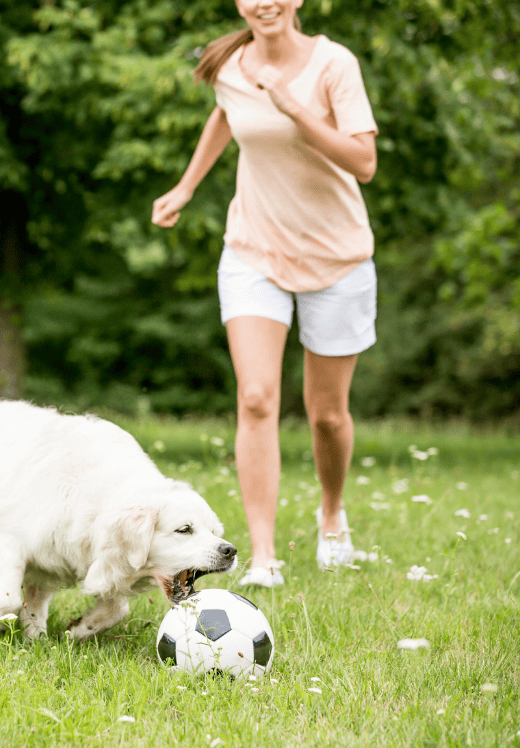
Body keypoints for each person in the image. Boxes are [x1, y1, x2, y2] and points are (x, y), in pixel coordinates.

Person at [151, 0, 378, 586]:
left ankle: (332, 515)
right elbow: (225, 115)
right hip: (254, 250)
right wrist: (185, 187)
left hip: (338, 257)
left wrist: (294, 107)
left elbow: (365, 160)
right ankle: (263, 558)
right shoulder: (230, 64)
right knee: (255, 397)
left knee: (326, 415)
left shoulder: (333, 64)